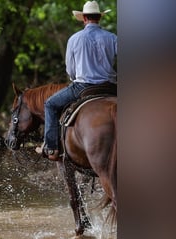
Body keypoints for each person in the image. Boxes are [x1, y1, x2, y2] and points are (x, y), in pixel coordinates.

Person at [40, 1, 117, 161]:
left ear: (84, 18)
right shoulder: (112, 38)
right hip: (110, 87)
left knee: (50, 104)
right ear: (99, 18)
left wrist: (74, 77)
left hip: (83, 86)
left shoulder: (74, 39)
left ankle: (52, 148)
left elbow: (71, 70)